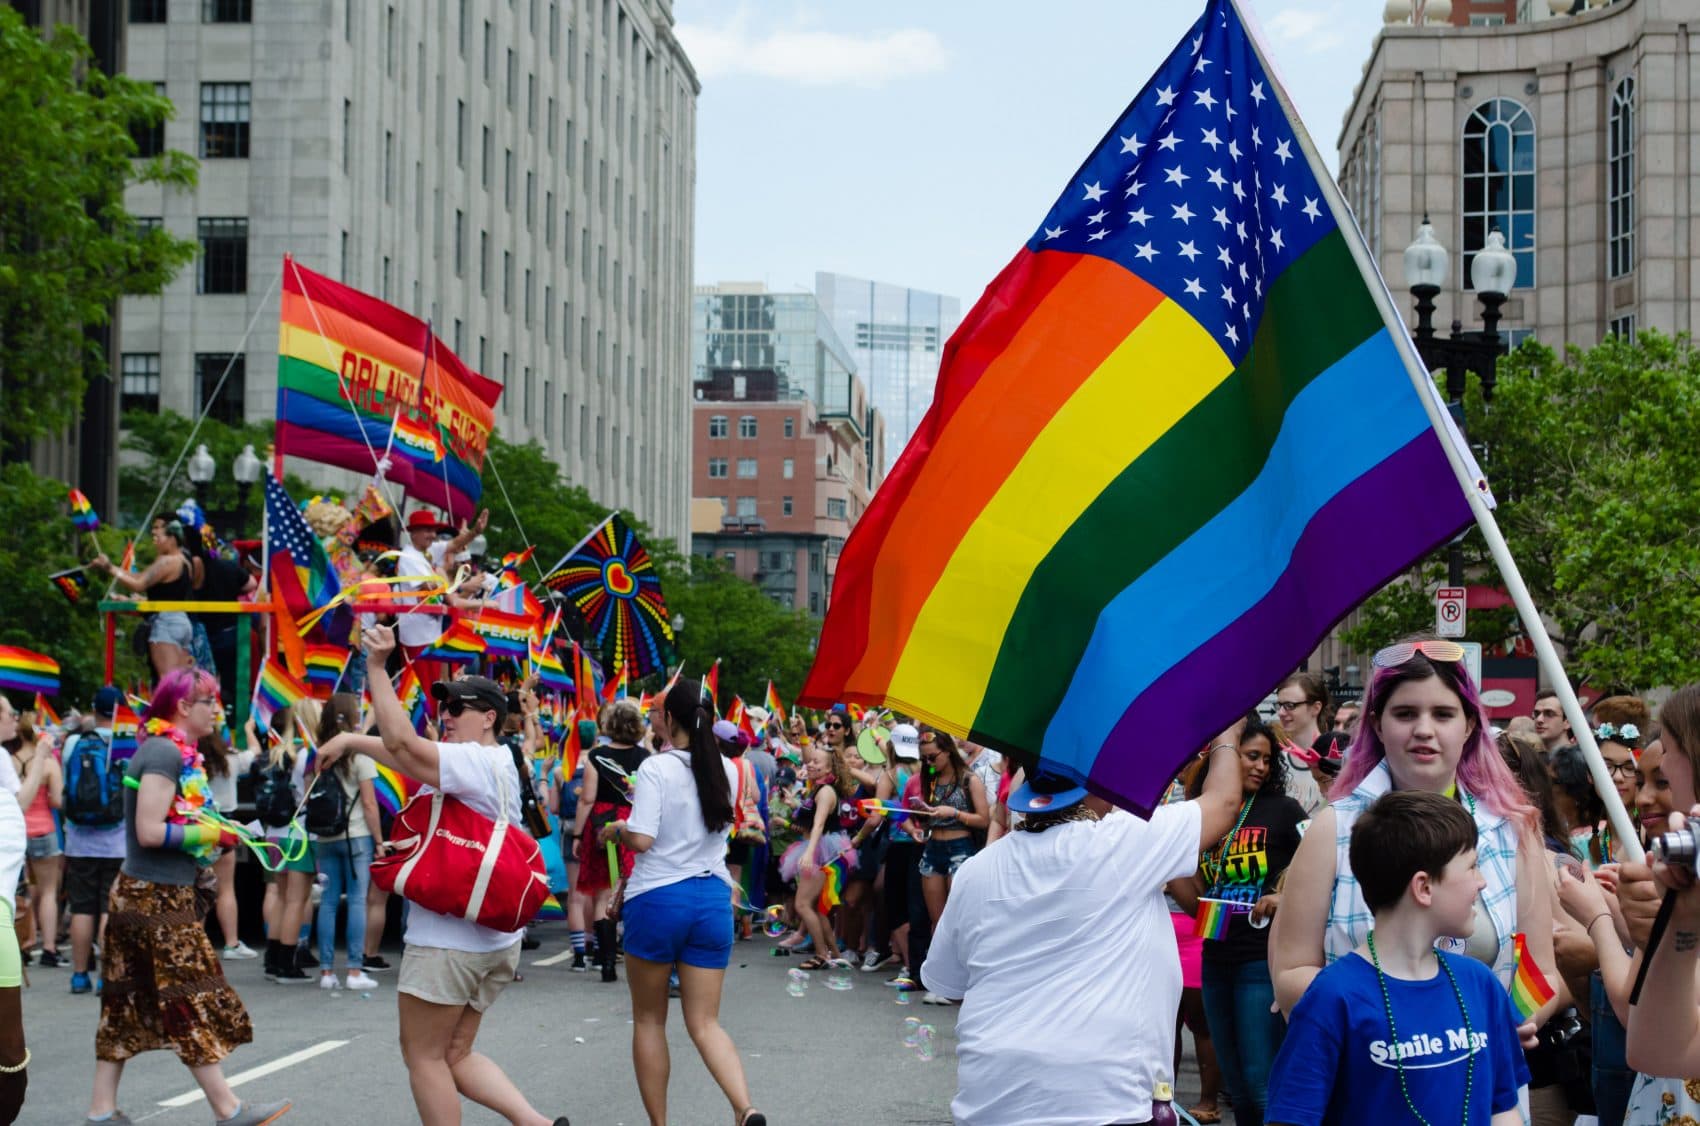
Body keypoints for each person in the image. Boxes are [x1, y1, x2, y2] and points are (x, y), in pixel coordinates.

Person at [919, 732, 1246, 1125]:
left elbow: (950, 985)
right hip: (1102, 1101)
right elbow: (1224, 802)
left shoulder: (977, 870)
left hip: (992, 1101)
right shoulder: (1120, 842)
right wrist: (1228, 733)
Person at [315, 628, 565, 1126]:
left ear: (489, 718)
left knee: (424, 1058)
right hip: (492, 940)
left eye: (458, 709)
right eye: (444, 708)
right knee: (454, 1054)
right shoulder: (496, 761)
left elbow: (401, 741)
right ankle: (536, 1124)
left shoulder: (476, 761)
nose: (445, 716)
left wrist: (378, 667)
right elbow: (404, 754)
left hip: (448, 942)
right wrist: (349, 740)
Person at [1270, 637, 1563, 1032]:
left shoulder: (1511, 829)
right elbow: (1291, 974)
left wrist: (1519, 1021)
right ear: (1377, 723)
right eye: (1405, 713)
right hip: (1368, 1078)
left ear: (1470, 724)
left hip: (1482, 1078)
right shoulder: (1334, 829)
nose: (1424, 730)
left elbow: (1540, 973)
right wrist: (1404, 1018)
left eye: (1443, 714)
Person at [86, 667, 291, 1126]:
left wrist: (220, 831)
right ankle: (229, 1109)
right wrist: (214, 832)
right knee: (187, 996)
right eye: (209, 701)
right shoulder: (163, 752)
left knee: (125, 1000)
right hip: (154, 898)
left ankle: (101, 1112)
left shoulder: (173, 751)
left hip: (148, 894)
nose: (217, 709)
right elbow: (150, 830)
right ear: (182, 706)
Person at [1264, 791, 1533, 1126]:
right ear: (1423, 887)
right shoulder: (1332, 997)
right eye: (1472, 866)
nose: (1482, 882)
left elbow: (1503, 1107)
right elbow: (1292, 1116)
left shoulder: (1481, 984)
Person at [598, 680, 764, 1126]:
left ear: (669, 719)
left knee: (650, 1020)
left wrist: (616, 830)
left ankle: (660, 1124)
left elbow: (644, 839)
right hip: (712, 900)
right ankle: (744, 1108)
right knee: (706, 1023)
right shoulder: (728, 769)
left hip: (658, 900)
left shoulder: (657, 769)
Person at [1184, 713, 1308, 1126]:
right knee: (1236, 1084)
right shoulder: (1204, 811)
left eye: (1266, 760)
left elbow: (1319, 871)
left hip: (1261, 958)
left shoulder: (1283, 810)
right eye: (1251, 756)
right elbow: (1196, 888)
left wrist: (1283, 895)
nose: (1260, 766)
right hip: (1215, 954)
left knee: (1259, 1081)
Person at [573, 698, 648, 983]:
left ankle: (606, 963)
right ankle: (635, 956)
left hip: (602, 824)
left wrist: (579, 834)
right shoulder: (646, 757)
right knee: (635, 888)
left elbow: (587, 798)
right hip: (633, 822)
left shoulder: (596, 755)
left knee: (604, 893)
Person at [309, 693, 381, 992]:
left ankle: (326, 972)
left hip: (325, 837)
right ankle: (353, 970)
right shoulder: (360, 756)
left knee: (326, 903)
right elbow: (369, 804)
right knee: (356, 901)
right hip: (357, 838)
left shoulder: (320, 754)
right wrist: (379, 840)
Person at [64, 687, 131, 993]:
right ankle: (107, 975)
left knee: (81, 908)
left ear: (95, 709)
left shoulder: (74, 744)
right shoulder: (126, 745)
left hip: (78, 841)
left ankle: (79, 976)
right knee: (108, 908)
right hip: (116, 842)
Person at [915, 729, 990, 1000]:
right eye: (924, 758)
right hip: (934, 846)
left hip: (960, 847)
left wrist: (954, 812)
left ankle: (961, 983)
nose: (929, 762)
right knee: (937, 919)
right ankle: (941, 983)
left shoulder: (970, 779)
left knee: (957, 917)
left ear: (948, 751)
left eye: (933, 757)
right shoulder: (930, 780)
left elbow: (985, 819)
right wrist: (922, 816)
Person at [777, 744, 856, 967]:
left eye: (816, 762)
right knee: (818, 909)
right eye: (810, 761)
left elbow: (819, 824)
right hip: (823, 847)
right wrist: (794, 804)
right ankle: (837, 957)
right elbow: (811, 820)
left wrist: (810, 853)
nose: (810, 764)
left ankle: (822, 955)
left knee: (803, 905)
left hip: (822, 850)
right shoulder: (820, 789)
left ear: (829, 769)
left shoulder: (825, 792)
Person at [94, 518, 201, 681]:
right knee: (181, 681)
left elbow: (139, 583)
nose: (155, 542)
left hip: (166, 623)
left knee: (169, 682)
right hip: (181, 621)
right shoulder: (184, 560)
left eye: (158, 538)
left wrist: (108, 567)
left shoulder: (167, 561)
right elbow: (144, 579)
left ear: (172, 538)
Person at [197, 726, 257, 962]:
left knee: (199, 890)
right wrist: (249, 730)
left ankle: (197, 943)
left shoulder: (193, 764)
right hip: (226, 829)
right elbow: (255, 752)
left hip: (200, 828)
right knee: (226, 890)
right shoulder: (231, 760)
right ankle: (231, 943)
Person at [10, 712, 62, 967]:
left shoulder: (8, 760)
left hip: (18, 831)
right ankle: (50, 947)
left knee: (24, 891)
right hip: (44, 830)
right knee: (49, 891)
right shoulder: (48, 763)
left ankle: (24, 944)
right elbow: (58, 800)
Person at [1272, 673, 1328, 815]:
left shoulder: (1338, 756)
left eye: (1290, 705)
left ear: (1316, 707)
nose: (1281, 712)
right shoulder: (1276, 760)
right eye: (1279, 705)